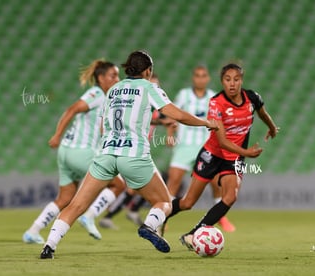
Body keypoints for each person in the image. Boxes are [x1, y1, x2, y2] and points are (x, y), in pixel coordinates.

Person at [40, 50, 218, 258]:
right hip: (134, 156)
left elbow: (102, 127)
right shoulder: (149, 87)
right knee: (165, 202)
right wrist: (206, 123)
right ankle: (149, 226)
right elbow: (177, 114)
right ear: (148, 71)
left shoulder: (113, 90)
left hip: (106, 153)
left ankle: (49, 247)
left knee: (77, 204)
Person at [165, 63, 279, 250]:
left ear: (241, 80)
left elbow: (263, 113)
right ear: (222, 81)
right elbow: (223, 141)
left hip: (234, 158)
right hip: (214, 153)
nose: (232, 83)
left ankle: (194, 234)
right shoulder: (216, 102)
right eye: (228, 79)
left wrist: (272, 128)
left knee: (230, 196)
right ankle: (159, 217)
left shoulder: (253, 98)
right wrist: (248, 153)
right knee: (187, 202)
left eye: (236, 79)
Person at [22, 59, 124, 244]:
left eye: (118, 75)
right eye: (113, 75)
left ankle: (33, 231)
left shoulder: (108, 98)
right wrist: (56, 134)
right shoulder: (97, 93)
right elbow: (72, 109)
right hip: (81, 151)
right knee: (118, 184)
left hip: (66, 152)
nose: (118, 79)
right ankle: (90, 215)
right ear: (101, 78)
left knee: (65, 198)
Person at [165, 65, 235, 233]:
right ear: (193, 78)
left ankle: (220, 217)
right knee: (173, 182)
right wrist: (170, 133)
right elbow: (172, 114)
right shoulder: (184, 95)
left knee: (216, 182)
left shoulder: (213, 97)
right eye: (197, 75)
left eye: (203, 75)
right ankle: (163, 217)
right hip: (184, 146)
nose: (200, 78)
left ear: (208, 78)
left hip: (207, 146)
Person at [98, 73, 174, 229]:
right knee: (134, 188)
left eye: (156, 86)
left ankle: (126, 212)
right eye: (151, 84)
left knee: (140, 187)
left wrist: (170, 133)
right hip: (127, 149)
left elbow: (170, 138)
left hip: (140, 151)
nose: (153, 89)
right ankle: (113, 214)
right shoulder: (136, 104)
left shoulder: (158, 109)